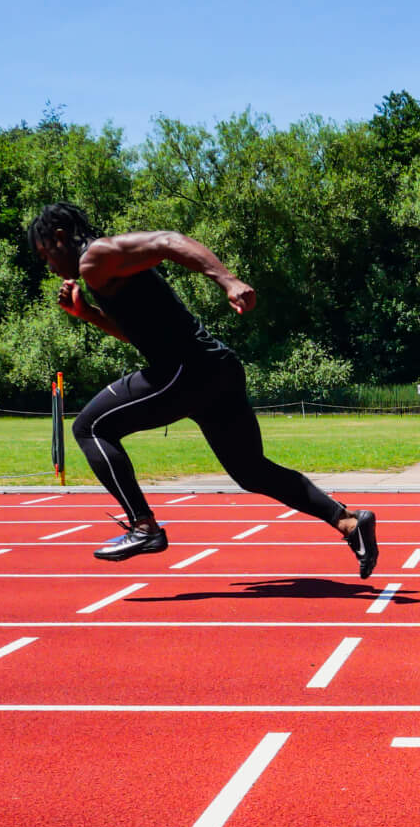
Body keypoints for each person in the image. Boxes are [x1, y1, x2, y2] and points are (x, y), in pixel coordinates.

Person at [27, 203, 377, 573]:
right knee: (251, 471)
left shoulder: (94, 258)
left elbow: (168, 240)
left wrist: (228, 280)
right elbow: (134, 336)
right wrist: (87, 315)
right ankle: (349, 523)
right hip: (216, 369)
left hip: (184, 370)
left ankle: (143, 526)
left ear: (60, 238)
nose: (48, 267)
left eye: (45, 254)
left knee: (90, 428)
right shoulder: (103, 272)